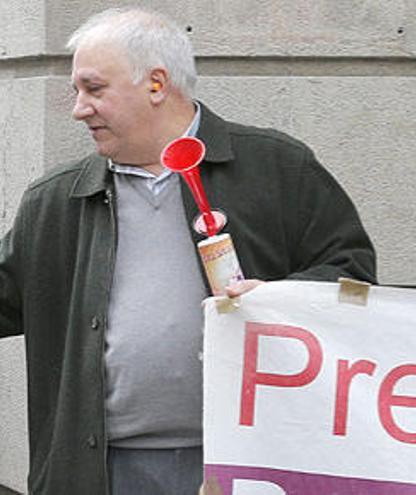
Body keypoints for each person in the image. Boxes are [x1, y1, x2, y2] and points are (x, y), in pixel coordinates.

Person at [0, 7, 376, 495]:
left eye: (94, 89)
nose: (79, 108)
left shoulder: (277, 168)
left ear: (157, 84)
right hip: (98, 472)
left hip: (247, 467)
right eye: (77, 92)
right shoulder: (55, 200)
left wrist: (284, 301)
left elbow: (355, 276)